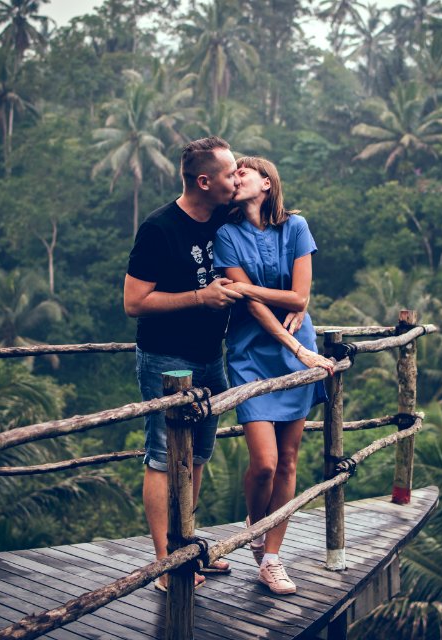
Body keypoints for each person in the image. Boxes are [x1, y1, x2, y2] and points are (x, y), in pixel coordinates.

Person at [123, 136, 243, 591]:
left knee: (196, 458)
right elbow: (134, 303)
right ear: (204, 180)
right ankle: (166, 565)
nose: (236, 179)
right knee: (161, 457)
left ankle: (185, 547)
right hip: (165, 361)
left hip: (212, 356)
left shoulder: (226, 217)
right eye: (230, 173)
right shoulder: (159, 228)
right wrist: (201, 296)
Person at [213, 156, 334, 595]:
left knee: (288, 460)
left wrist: (247, 287)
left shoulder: (296, 227)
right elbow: (257, 307)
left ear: (267, 182)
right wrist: (294, 341)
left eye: (243, 172)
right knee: (263, 463)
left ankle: (272, 558)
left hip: (299, 351)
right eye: (233, 173)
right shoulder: (225, 235)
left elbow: (300, 297)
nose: (236, 177)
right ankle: (255, 522)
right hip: (252, 352)